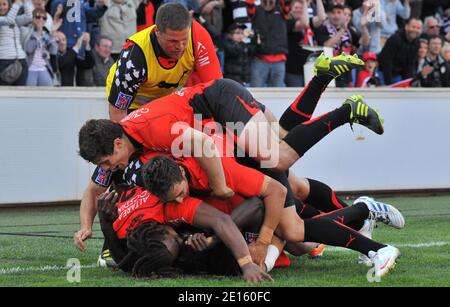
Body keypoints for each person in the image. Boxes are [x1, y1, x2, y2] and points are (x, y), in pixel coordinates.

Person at [140, 156, 405, 278]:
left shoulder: (217, 168)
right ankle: (362, 213)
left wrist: (263, 248)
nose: (179, 201)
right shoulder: (171, 195)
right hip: (255, 201)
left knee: (296, 231)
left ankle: (365, 218)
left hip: (268, 191)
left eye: (179, 193)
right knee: (302, 243)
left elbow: (265, 200)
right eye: (171, 199)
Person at [105, 3, 222, 122]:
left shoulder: (197, 36)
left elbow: (216, 90)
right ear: (157, 32)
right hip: (133, 103)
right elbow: (117, 113)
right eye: (173, 41)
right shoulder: (134, 58)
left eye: (184, 40)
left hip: (165, 98)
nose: (180, 47)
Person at [315, 4, 361, 87]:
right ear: (328, 14)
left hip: (345, 74)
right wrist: (342, 30)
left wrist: (364, 28)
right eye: (333, 12)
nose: (336, 15)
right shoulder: (322, 29)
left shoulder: (350, 31)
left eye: (339, 12)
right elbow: (327, 45)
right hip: (328, 73)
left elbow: (362, 43)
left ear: (344, 15)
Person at [378, 17, 422, 85]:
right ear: (406, 27)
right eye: (413, 27)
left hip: (398, 74)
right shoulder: (395, 39)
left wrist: (409, 82)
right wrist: (388, 84)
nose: (415, 30)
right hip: (384, 72)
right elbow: (386, 62)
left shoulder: (417, 43)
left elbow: (410, 64)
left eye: (418, 28)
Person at [23, 8, 58, 86]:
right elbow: (29, 49)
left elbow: (54, 50)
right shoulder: (26, 31)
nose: (41, 19)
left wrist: (52, 34)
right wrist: (38, 32)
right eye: (38, 17)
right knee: (29, 94)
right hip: (30, 68)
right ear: (33, 19)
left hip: (43, 67)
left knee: (48, 93)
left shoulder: (46, 34)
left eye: (44, 18)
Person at [0, 0, 32, 86]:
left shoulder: (15, 19)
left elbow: (29, 17)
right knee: (3, 94)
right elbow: (8, 20)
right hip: (3, 61)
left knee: (21, 94)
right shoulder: (6, 19)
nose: (2, 7)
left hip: (20, 60)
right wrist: (17, 3)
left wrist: (25, 3)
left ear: (9, 5)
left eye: (4, 4)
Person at [223, 22, 255, 86]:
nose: (240, 35)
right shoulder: (227, 43)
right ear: (230, 34)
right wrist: (245, 39)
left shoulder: (244, 43)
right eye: (237, 33)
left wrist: (252, 37)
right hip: (232, 79)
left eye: (242, 33)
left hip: (245, 79)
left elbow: (255, 50)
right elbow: (235, 51)